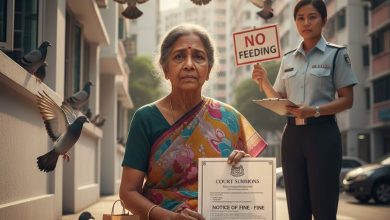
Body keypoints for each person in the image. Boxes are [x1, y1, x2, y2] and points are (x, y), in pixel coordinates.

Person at [120, 23, 267, 220]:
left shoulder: (230, 119)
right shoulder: (145, 118)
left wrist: (245, 168)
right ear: (165, 69)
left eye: (198, 57)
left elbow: (251, 194)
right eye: (179, 56)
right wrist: (170, 218)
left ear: (208, 70)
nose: (189, 64)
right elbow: (128, 193)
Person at [252, 1, 357, 220]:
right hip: (292, 137)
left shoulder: (336, 55)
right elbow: (280, 98)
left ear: (324, 21)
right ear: (295, 22)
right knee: (296, 209)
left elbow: (347, 100)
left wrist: (314, 111)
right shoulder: (288, 58)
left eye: (312, 17)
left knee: (323, 208)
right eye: (300, 18)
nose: (306, 23)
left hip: (323, 135)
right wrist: (263, 82)